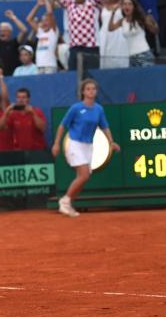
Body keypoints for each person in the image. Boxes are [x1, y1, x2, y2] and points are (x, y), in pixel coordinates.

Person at [51, 79, 120, 217]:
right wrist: (57, 143)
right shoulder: (76, 108)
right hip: (75, 144)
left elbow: (104, 126)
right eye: (88, 89)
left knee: (84, 178)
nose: (91, 91)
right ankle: (64, 202)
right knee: (84, 175)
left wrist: (111, 141)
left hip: (88, 146)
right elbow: (62, 125)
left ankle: (68, 203)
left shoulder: (99, 109)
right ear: (83, 92)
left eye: (93, 89)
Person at [42, 0, 106, 71]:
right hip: (74, 49)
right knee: (73, 79)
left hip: (92, 48)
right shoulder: (69, 3)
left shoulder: (93, 1)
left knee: (92, 79)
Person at [108, 0, 157, 67]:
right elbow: (110, 28)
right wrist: (113, 13)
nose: (127, 6)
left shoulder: (140, 19)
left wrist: (153, 23)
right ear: (122, 7)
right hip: (131, 57)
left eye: (130, 4)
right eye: (125, 4)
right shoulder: (122, 21)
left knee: (147, 77)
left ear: (134, 7)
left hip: (144, 54)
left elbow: (155, 31)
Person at [99, 0, 130, 69]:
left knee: (119, 60)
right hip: (104, 35)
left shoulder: (122, 5)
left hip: (119, 35)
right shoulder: (103, 5)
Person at [26, 0, 60, 74]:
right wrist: (38, 5)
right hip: (39, 66)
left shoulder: (53, 32)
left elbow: (50, 13)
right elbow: (29, 19)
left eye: (47, 21)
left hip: (50, 66)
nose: (44, 23)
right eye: (43, 21)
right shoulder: (40, 32)